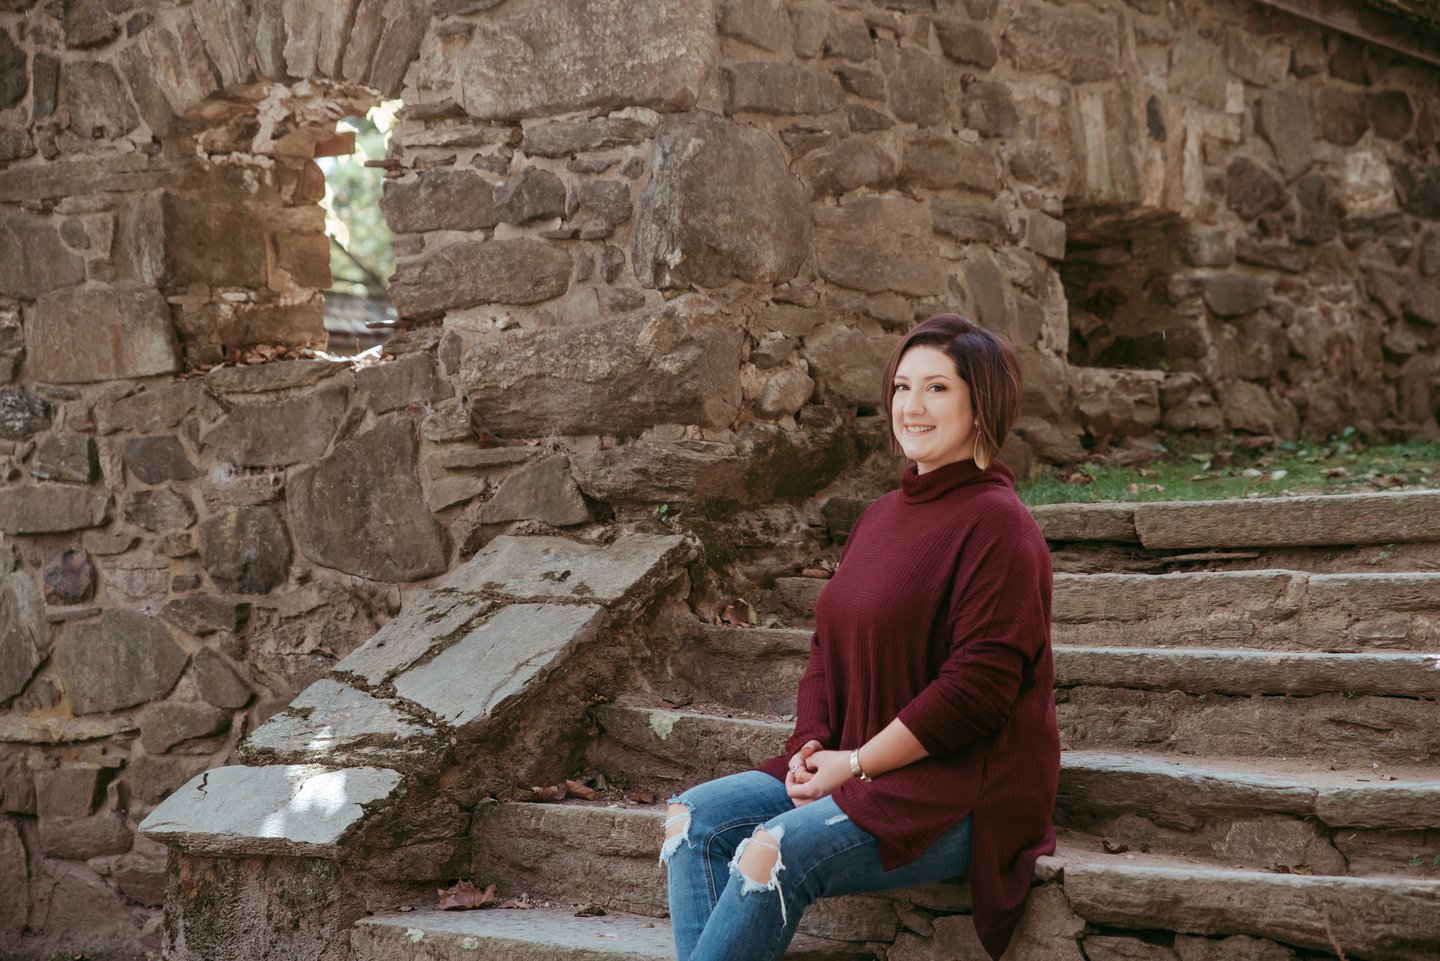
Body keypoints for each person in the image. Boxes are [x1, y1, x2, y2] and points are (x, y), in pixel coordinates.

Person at [659, 314, 1059, 961]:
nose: (911, 406)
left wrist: (856, 762)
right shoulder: (880, 516)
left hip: (955, 793)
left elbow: (976, 691)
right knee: (692, 820)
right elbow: (827, 647)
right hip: (854, 768)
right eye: (902, 387)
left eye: (936, 388)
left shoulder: (1000, 526)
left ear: (982, 404)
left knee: (772, 849)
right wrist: (812, 744)